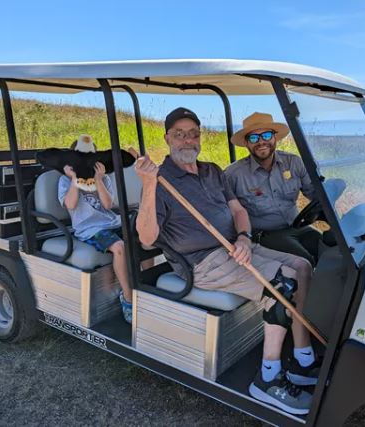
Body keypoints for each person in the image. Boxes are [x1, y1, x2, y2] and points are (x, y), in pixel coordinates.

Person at [134, 108, 320, 415]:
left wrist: (245, 237)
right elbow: (145, 238)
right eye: (179, 134)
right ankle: (267, 379)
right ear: (167, 138)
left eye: (193, 133)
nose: (187, 140)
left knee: (302, 266)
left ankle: (302, 358)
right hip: (202, 262)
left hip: (235, 247)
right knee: (281, 284)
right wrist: (148, 184)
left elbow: (238, 211)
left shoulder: (212, 171)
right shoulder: (161, 180)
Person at [224, 112, 322, 267]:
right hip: (265, 235)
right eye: (254, 138)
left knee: (332, 249)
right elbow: (225, 212)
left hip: (298, 227)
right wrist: (242, 239)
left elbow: (316, 194)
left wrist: (330, 194)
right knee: (307, 261)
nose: (261, 142)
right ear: (247, 143)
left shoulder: (294, 163)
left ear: (275, 137)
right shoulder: (233, 175)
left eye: (267, 135)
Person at [58, 134, 133, 324]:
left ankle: (146, 292)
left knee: (143, 239)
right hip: (89, 229)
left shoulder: (104, 179)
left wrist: (98, 179)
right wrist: (75, 178)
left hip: (111, 222)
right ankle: (129, 298)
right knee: (118, 247)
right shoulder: (65, 181)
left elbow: (108, 205)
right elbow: (71, 204)